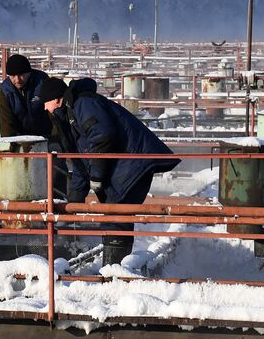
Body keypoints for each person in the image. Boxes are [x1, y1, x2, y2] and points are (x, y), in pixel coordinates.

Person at [37, 76, 180, 266]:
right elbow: (80, 160)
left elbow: (103, 136)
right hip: (121, 165)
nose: (45, 109)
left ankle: (115, 271)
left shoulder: (83, 104)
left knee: (115, 215)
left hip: (132, 162)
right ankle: (116, 268)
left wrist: (97, 176)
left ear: (56, 99)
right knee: (114, 216)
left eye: (45, 103)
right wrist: (75, 200)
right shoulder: (70, 115)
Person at [0, 53, 51, 138]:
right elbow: (6, 125)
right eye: (13, 76)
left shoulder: (42, 82)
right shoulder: (5, 92)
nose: (17, 80)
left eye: (21, 75)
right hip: (19, 138)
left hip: (46, 136)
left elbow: (54, 113)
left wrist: (54, 139)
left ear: (29, 72)